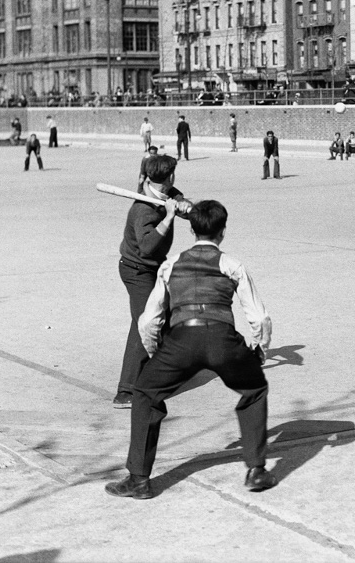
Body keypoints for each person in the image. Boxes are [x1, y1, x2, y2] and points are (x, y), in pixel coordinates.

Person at [104, 200, 277, 500]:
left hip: (181, 340)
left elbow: (149, 321)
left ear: (191, 230)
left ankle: (139, 479)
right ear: (222, 232)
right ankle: (257, 470)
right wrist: (259, 348)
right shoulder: (232, 265)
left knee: (144, 392)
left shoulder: (170, 265)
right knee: (254, 388)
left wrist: (157, 353)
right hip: (223, 339)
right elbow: (259, 317)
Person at [113, 155, 192, 408]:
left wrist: (184, 206)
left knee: (165, 316)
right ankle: (126, 391)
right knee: (145, 323)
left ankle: (161, 373)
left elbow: (176, 196)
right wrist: (168, 217)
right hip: (136, 270)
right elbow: (147, 246)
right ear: (169, 176)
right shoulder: (143, 209)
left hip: (153, 268)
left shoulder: (164, 193)